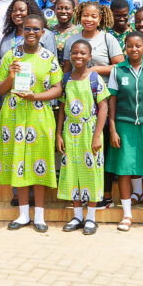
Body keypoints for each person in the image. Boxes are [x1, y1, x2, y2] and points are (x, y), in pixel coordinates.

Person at [0, 13, 63, 232]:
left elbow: (58, 89)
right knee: (18, 163)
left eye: (36, 29)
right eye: (27, 28)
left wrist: (36, 97)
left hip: (39, 116)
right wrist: (10, 77)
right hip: (13, 116)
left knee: (39, 163)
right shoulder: (11, 56)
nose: (31, 32)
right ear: (21, 30)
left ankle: (40, 216)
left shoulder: (49, 58)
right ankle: (23, 215)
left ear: (43, 32)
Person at [103, 32, 143, 233]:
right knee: (124, 169)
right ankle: (127, 214)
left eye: (138, 45)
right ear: (125, 48)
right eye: (130, 46)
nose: (134, 49)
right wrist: (112, 128)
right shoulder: (118, 70)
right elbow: (111, 99)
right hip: (124, 124)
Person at [52, 38, 110, 235]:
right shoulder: (66, 78)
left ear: (90, 57)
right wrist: (59, 133)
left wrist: (97, 136)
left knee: (92, 172)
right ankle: (77, 215)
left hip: (89, 131)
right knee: (71, 173)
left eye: (83, 53)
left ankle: (91, 218)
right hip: (70, 132)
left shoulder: (95, 79)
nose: (78, 56)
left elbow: (103, 107)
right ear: (70, 55)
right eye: (75, 52)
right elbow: (61, 108)